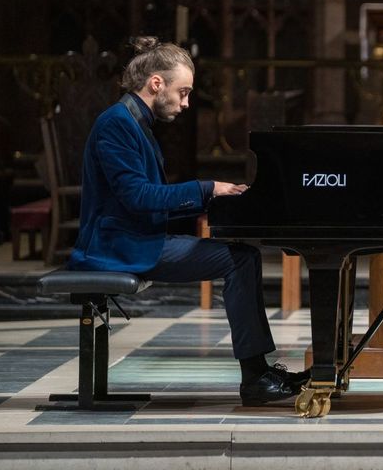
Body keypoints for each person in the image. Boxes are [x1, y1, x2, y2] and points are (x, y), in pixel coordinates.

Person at [67, 36, 308, 406]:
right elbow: (139, 198)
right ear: (156, 83)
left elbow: (147, 201)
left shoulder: (134, 122)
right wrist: (208, 189)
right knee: (240, 258)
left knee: (243, 255)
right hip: (116, 248)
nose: (186, 102)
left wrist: (214, 199)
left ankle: (259, 373)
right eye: (183, 92)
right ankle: (255, 377)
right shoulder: (116, 124)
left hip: (135, 237)